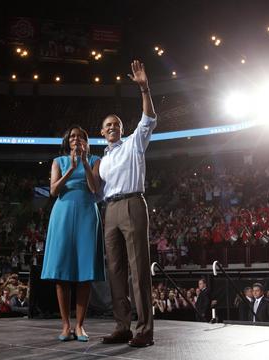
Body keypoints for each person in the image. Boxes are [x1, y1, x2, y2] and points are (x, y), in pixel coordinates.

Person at [99, 60, 157, 348]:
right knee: (116, 273)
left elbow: (148, 118)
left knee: (139, 269)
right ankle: (122, 326)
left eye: (117, 124)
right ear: (102, 132)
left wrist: (144, 88)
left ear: (122, 129)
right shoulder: (103, 161)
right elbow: (95, 187)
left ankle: (144, 330)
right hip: (109, 210)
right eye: (108, 125)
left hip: (133, 204)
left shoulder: (134, 142)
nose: (113, 127)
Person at [41, 125, 105, 342]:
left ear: (87, 141)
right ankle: (65, 325)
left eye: (81, 137)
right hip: (63, 214)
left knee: (85, 273)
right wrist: (71, 168)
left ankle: (80, 326)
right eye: (73, 136)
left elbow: (95, 188)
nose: (76, 139)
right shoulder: (58, 161)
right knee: (63, 273)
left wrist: (84, 162)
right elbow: (53, 191)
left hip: (87, 213)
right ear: (68, 141)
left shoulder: (95, 160)